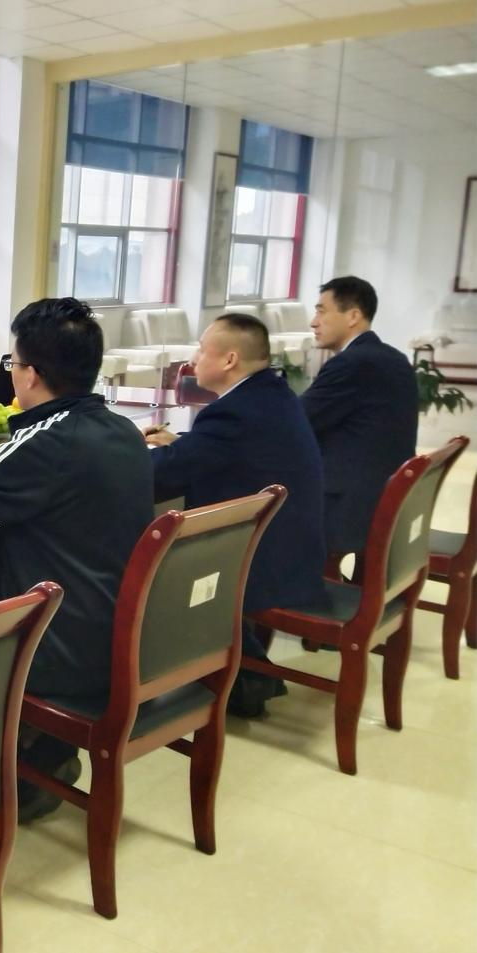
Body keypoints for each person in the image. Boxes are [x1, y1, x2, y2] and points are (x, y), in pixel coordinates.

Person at [0, 297, 152, 818]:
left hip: (58, 650)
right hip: (114, 637)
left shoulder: (48, 438)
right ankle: (43, 755)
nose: (13, 373)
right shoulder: (121, 431)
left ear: (32, 374)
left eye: (13, 363)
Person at [144, 313, 327, 716]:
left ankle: (232, 677)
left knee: (149, 564)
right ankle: (248, 673)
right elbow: (217, 448)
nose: (193, 359)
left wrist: (119, 456)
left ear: (229, 360)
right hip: (292, 544)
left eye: (201, 349)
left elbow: (167, 471)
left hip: (266, 561)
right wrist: (183, 444)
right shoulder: (269, 394)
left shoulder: (234, 412)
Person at [301, 276, 419, 557]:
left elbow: (298, 422)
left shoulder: (353, 363)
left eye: (321, 311)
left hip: (347, 506)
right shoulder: (392, 356)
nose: (314, 322)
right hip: (381, 494)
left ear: (353, 316)